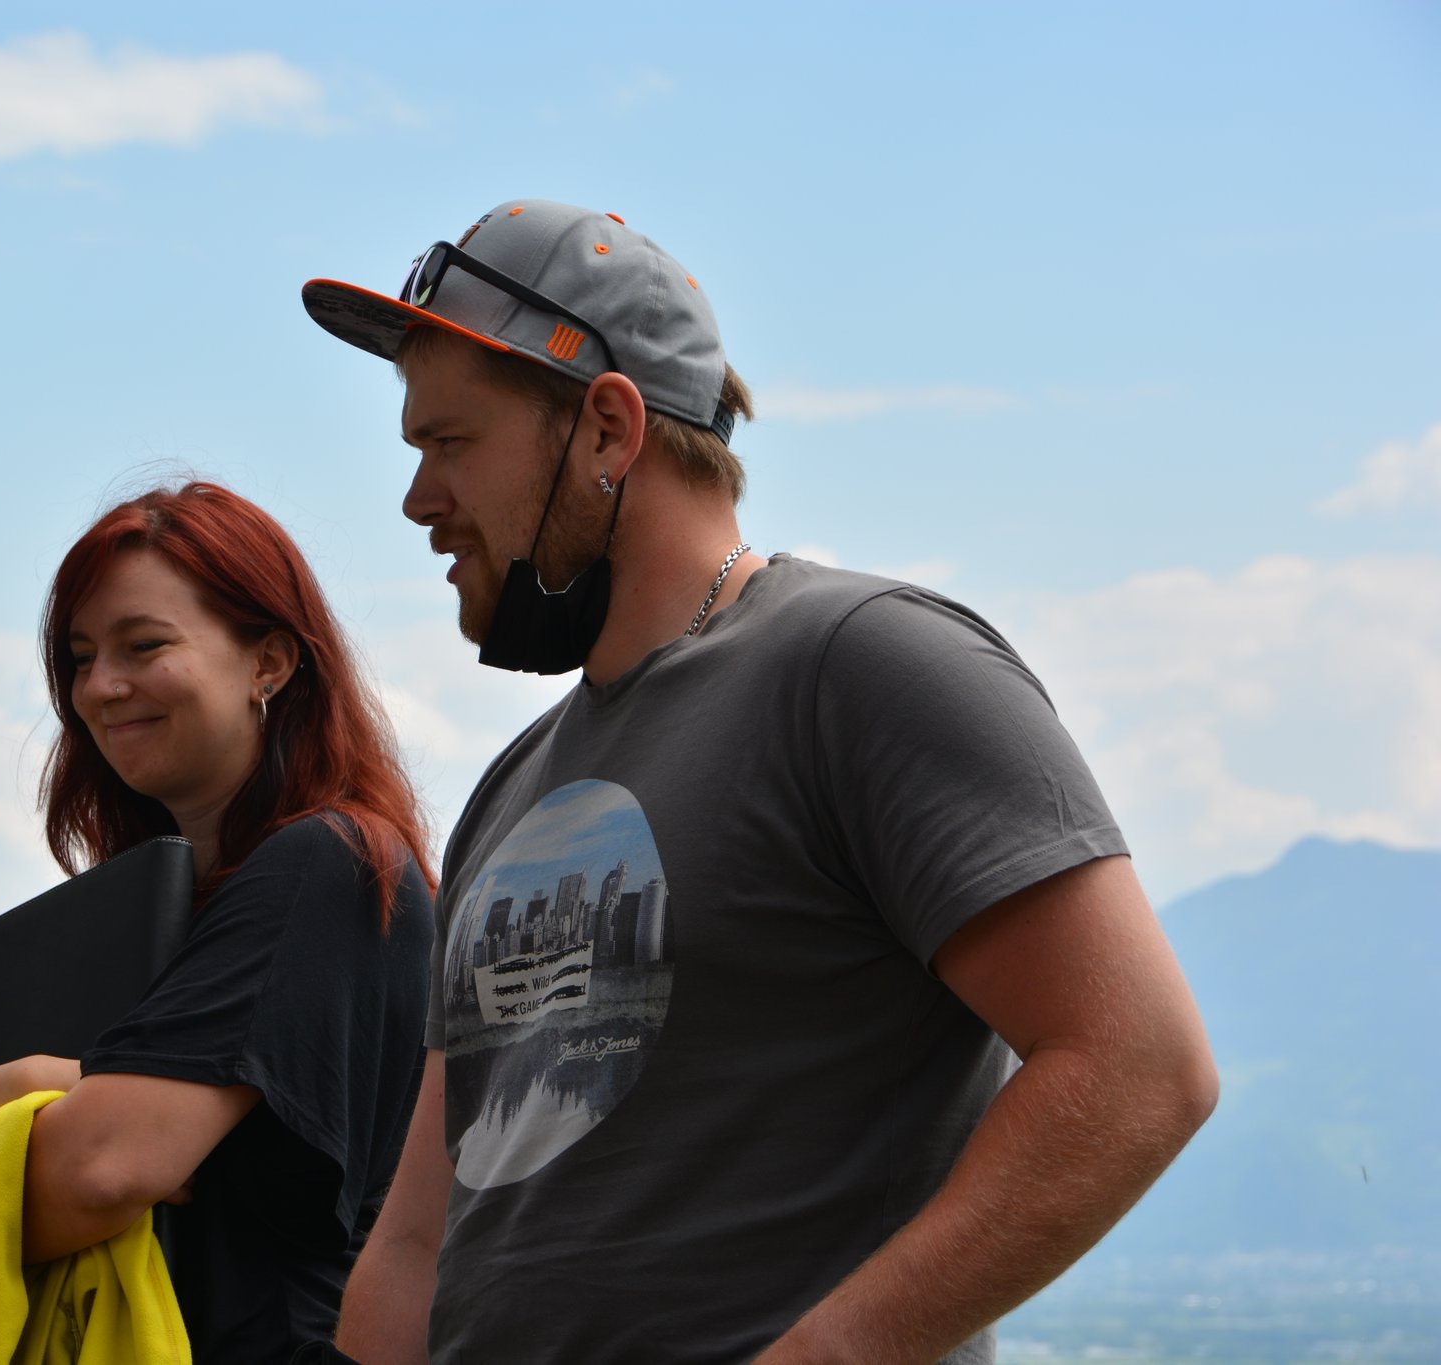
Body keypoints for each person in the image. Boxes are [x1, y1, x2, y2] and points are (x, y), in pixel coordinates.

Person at [298, 200, 1219, 1364]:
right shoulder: (512, 787)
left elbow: (1137, 1067)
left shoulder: (863, 667)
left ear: (606, 430)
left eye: (450, 443)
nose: (418, 499)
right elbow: (417, 1242)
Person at [0, 481, 436, 1363]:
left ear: (270, 662)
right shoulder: (111, 924)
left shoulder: (331, 864)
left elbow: (105, 1167)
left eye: (144, 645)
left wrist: (49, 1124)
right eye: (81, 657)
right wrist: (43, 1081)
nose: (101, 686)